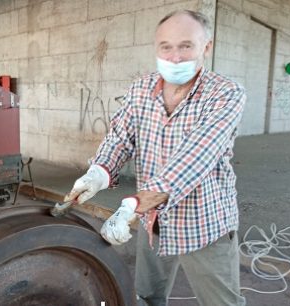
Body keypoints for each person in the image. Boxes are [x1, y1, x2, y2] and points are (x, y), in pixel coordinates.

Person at [65, 10, 246, 306]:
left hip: (204, 222)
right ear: (156, 48)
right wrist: (99, 171)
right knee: (146, 298)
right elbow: (121, 136)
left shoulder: (226, 94)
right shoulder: (141, 89)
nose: (175, 57)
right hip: (153, 223)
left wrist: (133, 206)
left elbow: (196, 157)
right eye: (166, 46)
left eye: (186, 46)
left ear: (207, 47)